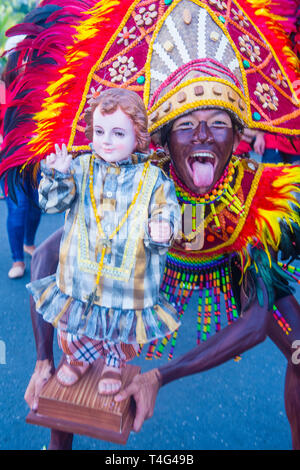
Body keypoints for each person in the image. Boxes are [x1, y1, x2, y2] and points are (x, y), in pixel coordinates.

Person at [1, 0, 300, 451]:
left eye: (218, 124)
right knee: (71, 350)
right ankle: (58, 440)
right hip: (148, 270)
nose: (202, 136)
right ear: (161, 140)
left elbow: (258, 319)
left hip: (231, 261)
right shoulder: (139, 179)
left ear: (238, 138)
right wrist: (41, 360)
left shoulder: (255, 197)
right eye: (186, 126)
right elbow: (47, 257)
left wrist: (160, 376)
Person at [27, 88, 181, 395]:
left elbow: (169, 209)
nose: (106, 140)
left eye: (117, 132)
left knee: (121, 334)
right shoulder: (80, 168)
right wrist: (57, 176)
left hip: (129, 283)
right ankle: (76, 360)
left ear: (138, 135)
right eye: (99, 131)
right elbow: (54, 203)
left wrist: (164, 225)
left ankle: (114, 364)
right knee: (72, 327)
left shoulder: (155, 179)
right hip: (79, 277)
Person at [1, 54, 41, 278]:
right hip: (8, 159)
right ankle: (18, 260)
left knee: (36, 205)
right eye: (23, 59)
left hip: (34, 159)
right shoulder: (2, 88)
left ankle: (28, 243)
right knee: (18, 208)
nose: (27, 65)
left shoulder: (39, 86)